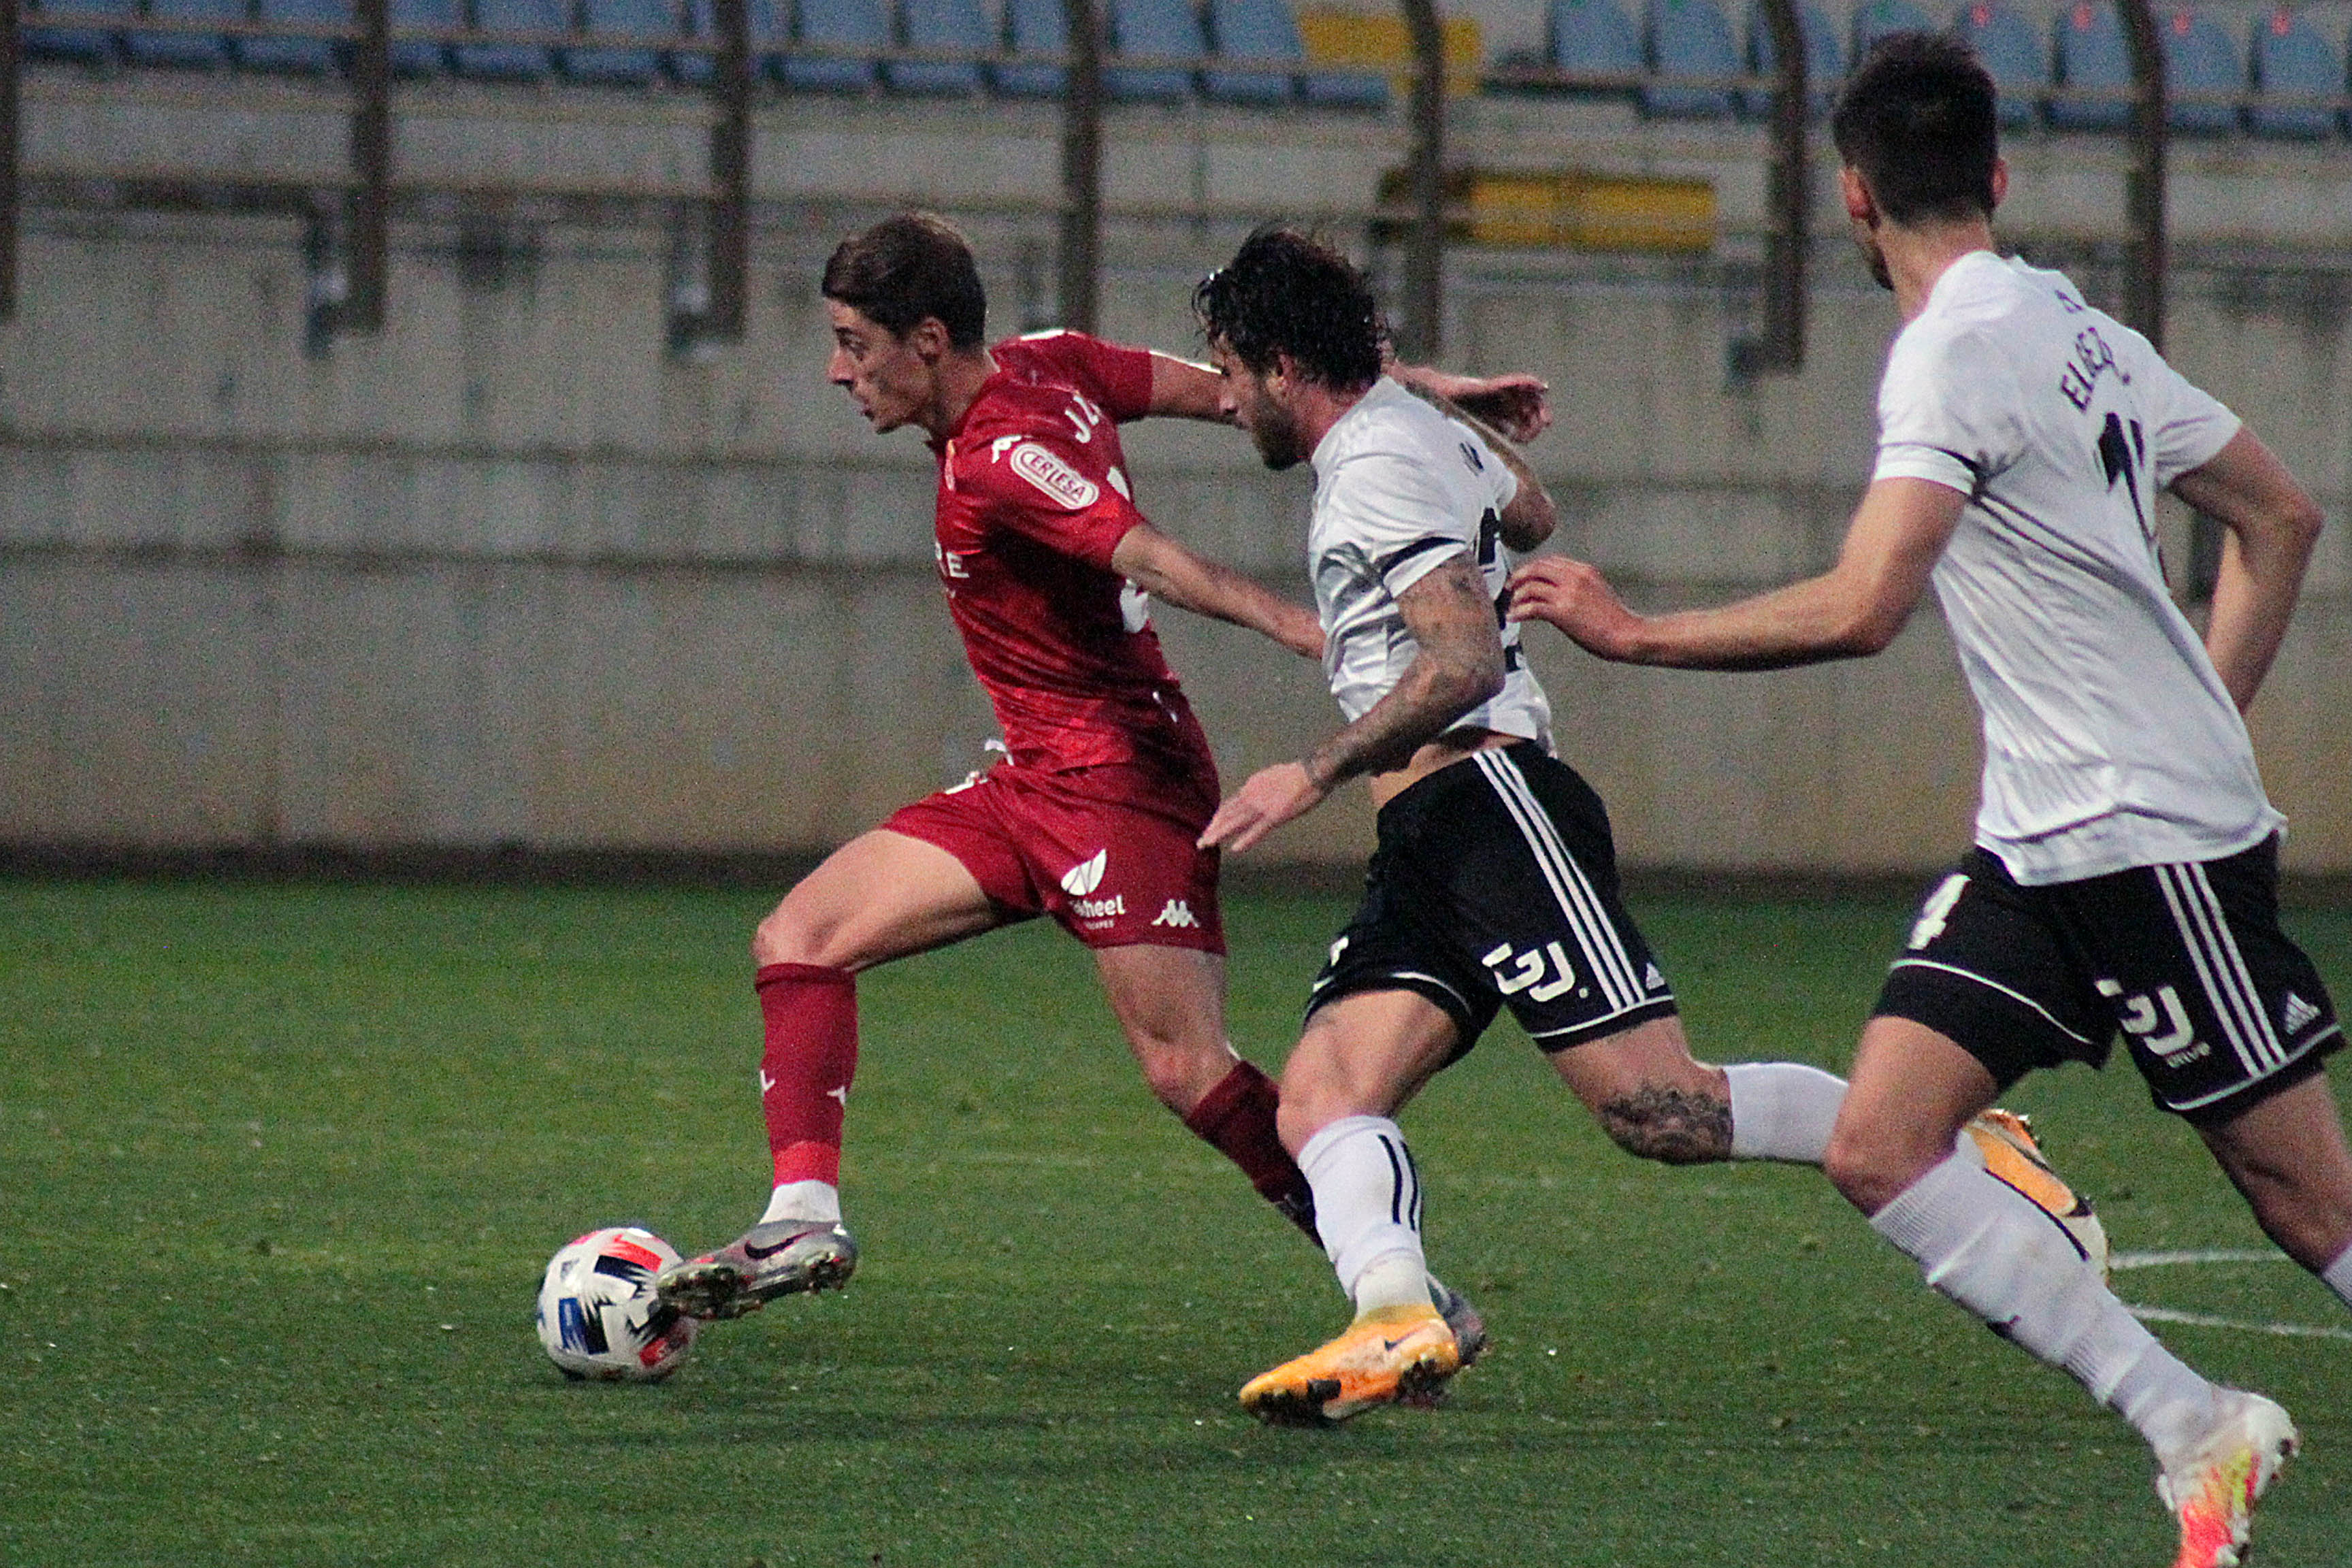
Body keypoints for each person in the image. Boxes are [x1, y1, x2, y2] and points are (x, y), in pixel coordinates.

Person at [1508, 34, 2347, 1567]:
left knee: (2311, 1210)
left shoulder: (1955, 349)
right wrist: (2200, 711)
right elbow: (2277, 515)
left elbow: (1866, 602)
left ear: (1847, 197)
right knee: (1882, 1143)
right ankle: (2193, 1427)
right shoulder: (2067, 319)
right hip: (2045, 842)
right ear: (1999, 176)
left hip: (2148, 845)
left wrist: (1634, 635)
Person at [1188, 225, 2070, 1428]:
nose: (1228, 403)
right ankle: (1398, 1313)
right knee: (1323, 1095)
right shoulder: (1412, 434)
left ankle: (1954, 1131)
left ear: (1285, 367)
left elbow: (1462, 661)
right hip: (1434, 836)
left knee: (1658, 1109)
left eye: (1233, 375)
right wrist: (1447, 409)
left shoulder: (1377, 461)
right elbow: (1534, 512)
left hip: (1491, 805)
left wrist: (1315, 770)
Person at [655, 211, 1543, 1343]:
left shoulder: (1005, 459)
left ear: (926, 339)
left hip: (1127, 789)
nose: (839, 371)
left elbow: (1155, 556)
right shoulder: (1055, 359)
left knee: (1190, 1070)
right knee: (801, 937)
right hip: (1033, 782)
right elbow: (1249, 388)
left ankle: (1404, 1293)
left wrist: (1301, 627)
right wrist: (1429, 384)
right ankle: (802, 1216)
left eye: (852, 343)